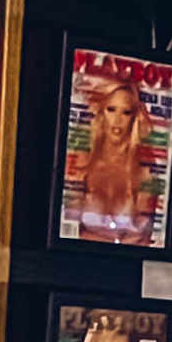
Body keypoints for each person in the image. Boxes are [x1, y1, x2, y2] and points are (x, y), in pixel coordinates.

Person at [69, 66, 157, 243]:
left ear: (134, 117)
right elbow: (67, 227)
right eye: (111, 109)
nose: (117, 121)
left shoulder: (144, 168)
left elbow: (144, 237)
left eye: (125, 112)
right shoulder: (82, 160)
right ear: (100, 113)